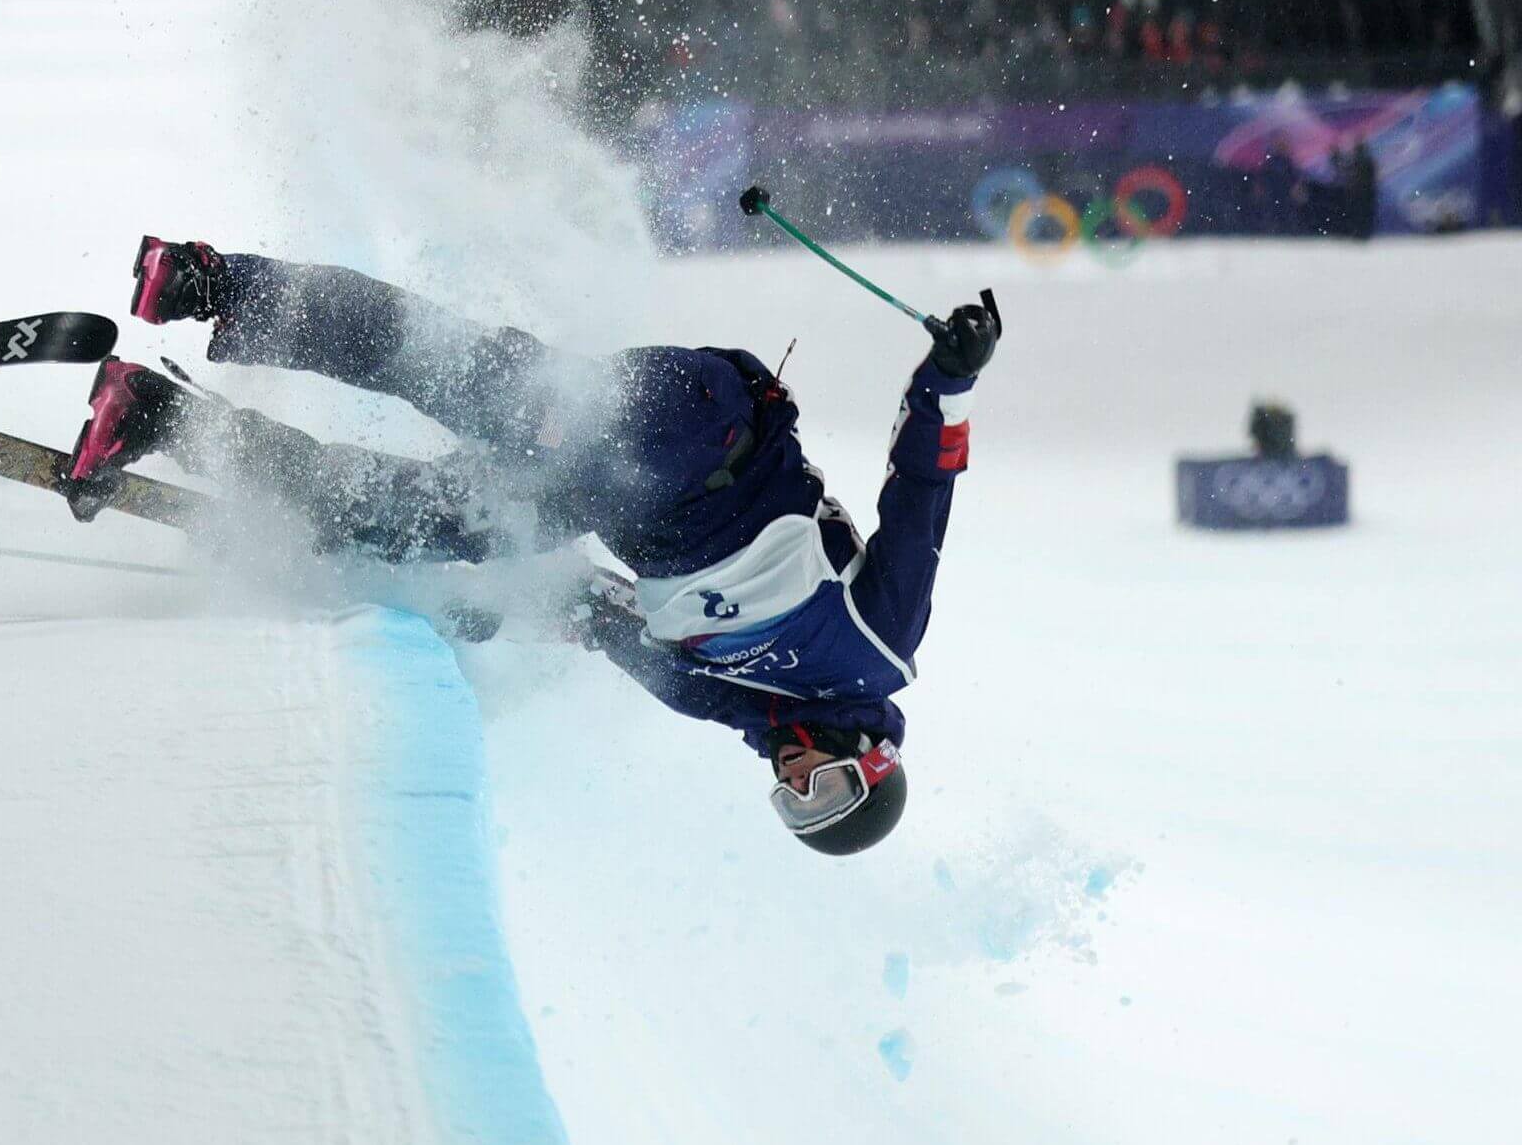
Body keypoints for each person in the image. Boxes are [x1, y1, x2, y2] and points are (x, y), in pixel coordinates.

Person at [63, 240, 1002, 856]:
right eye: (824, 785)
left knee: (411, 522)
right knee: (479, 385)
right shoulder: (879, 643)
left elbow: (592, 615)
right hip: (701, 433)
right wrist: (946, 381)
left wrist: (484, 604)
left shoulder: (729, 707)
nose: (797, 779)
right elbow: (922, 492)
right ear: (869, 757)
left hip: (610, 502)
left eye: (796, 803)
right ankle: (211, 283)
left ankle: (160, 418)